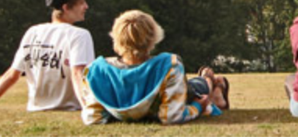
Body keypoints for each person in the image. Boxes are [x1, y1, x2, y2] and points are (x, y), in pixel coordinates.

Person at [81, 10, 227, 125]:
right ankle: (211, 82)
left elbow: (93, 118)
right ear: (152, 38)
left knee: (192, 85)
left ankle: (212, 84)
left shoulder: (96, 71)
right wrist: (198, 107)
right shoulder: (168, 66)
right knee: (196, 86)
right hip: (183, 92)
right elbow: (172, 116)